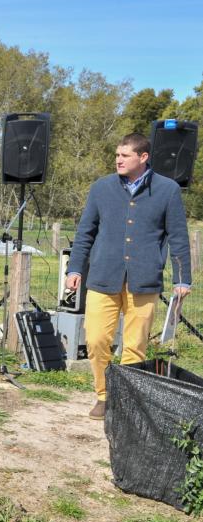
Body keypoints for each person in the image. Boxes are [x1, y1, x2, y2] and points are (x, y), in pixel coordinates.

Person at [66, 132, 191, 420]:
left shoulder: (168, 189)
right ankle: (103, 394)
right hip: (102, 276)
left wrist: (182, 279)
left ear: (143, 157)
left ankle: (124, 400)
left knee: (135, 345)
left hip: (144, 279)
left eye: (125, 155)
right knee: (96, 339)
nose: (118, 160)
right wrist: (75, 268)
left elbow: (178, 237)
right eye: (117, 155)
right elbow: (85, 232)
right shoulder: (101, 188)